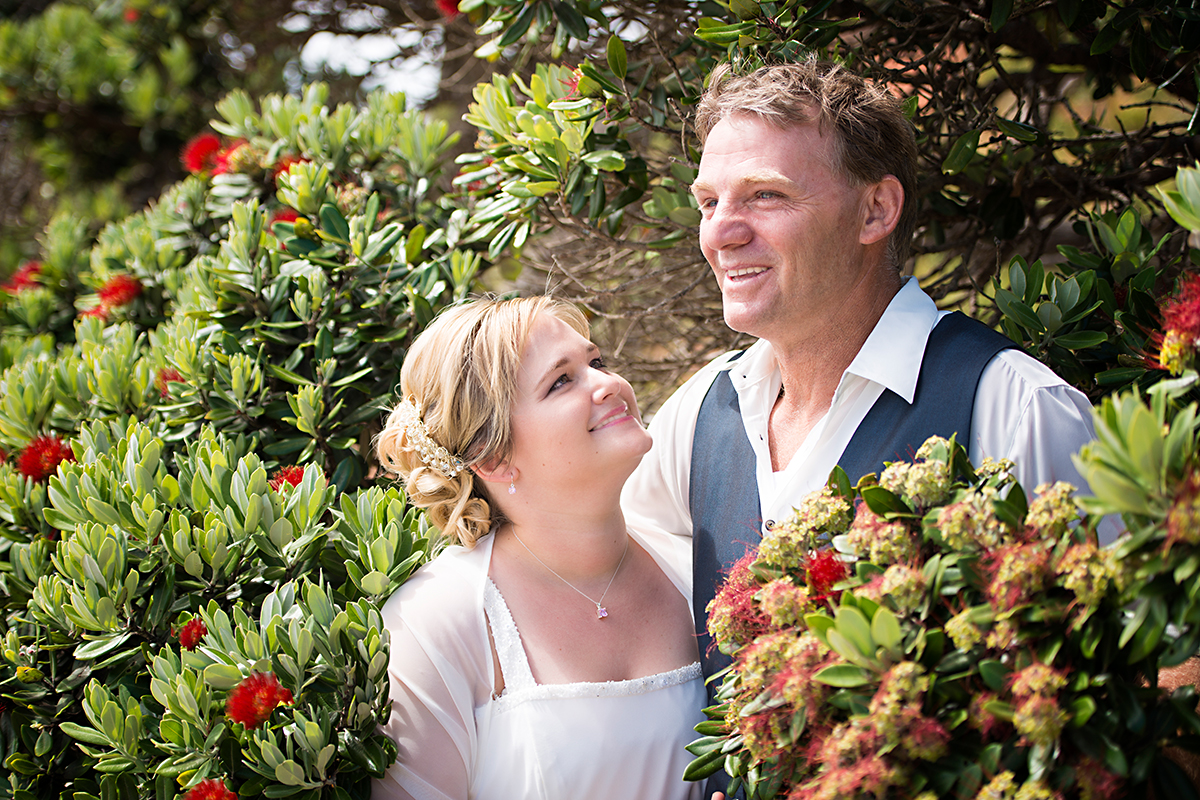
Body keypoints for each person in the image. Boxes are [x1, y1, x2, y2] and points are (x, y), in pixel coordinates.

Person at [622, 57, 1111, 691]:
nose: (720, 233)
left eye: (765, 195)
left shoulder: (1015, 408)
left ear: (876, 210)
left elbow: (1140, 675)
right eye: (709, 202)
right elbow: (598, 589)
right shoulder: (697, 415)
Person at [371, 295, 708, 800]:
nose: (610, 384)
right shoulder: (436, 621)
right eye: (562, 381)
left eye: (597, 362)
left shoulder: (695, 566)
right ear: (492, 457)